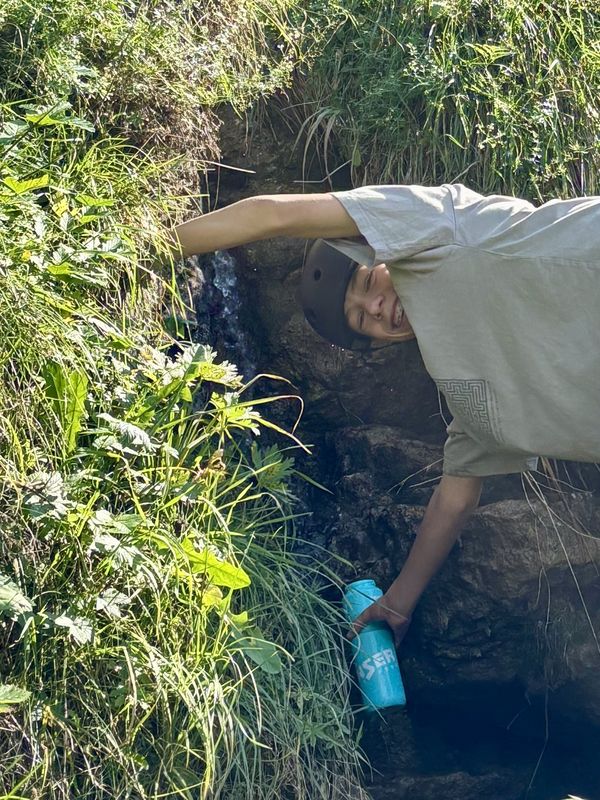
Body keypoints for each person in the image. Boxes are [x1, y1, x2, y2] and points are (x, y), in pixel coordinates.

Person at [173, 183, 600, 648]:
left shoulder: (434, 228)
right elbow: (453, 501)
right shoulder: (477, 408)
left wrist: (150, 247)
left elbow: (273, 214)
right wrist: (398, 602)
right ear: (378, 345)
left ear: (376, 250)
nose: (376, 308)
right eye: (362, 321)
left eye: (364, 282)